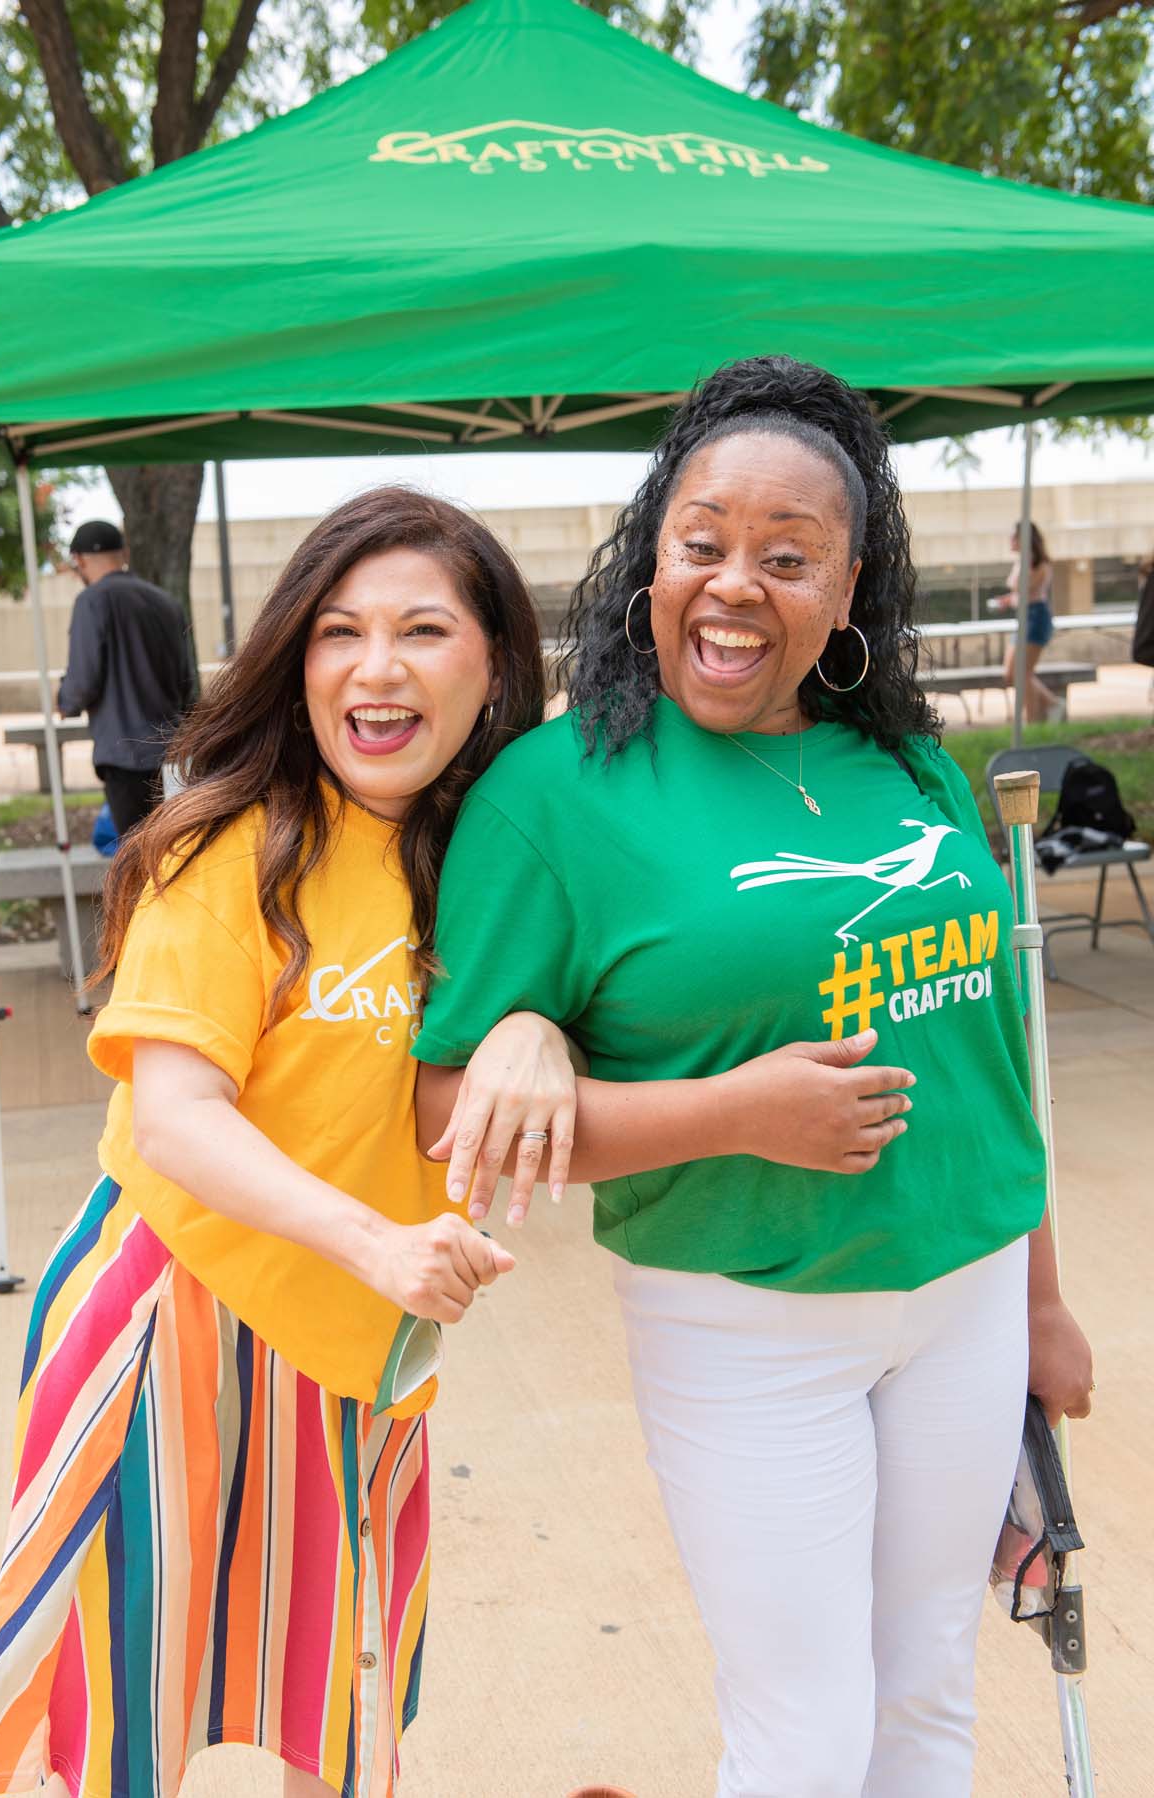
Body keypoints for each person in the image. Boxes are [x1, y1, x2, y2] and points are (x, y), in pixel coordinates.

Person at [413, 357, 1095, 1798]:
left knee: (927, 1701)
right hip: (749, 1321)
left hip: (965, 1296)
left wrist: (1038, 1300)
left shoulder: (908, 760)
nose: (735, 585)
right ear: (651, 553)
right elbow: (445, 1113)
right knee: (803, 1731)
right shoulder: (553, 796)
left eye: (788, 559)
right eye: (703, 542)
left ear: (847, 593)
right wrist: (736, 1113)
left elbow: (987, 1052)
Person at [0, 489, 585, 1798]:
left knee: (343, 1700)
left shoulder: (504, 859)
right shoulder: (230, 849)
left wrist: (536, 1025)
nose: (377, 667)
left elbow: (578, 1013)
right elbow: (179, 1117)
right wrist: (379, 1243)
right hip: (174, 1317)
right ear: (297, 659)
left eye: (423, 628)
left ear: (495, 664)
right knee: (126, 1714)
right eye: (339, 631)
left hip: (369, 1348)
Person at [57, 519, 197, 837]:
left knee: (135, 866)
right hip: (172, 752)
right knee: (173, 854)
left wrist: (65, 700)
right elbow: (187, 683)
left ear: (78, 560)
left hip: (124, 755)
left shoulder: (92, 601)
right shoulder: (166, 603)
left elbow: (83, 680)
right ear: (124, 553)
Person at [992, 521, 1061, 724]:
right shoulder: (1021, 562)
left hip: (1036, 617)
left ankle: (1032, 719)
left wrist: (1015, 594)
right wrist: (1006, 600)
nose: (1010, 541)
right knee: (1011, 673)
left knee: (1023, 672)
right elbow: (1019, 593)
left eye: (1014, 537)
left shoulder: (1039, 564)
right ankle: (1051, 703)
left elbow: (1026, 589)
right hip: (1023, 617)